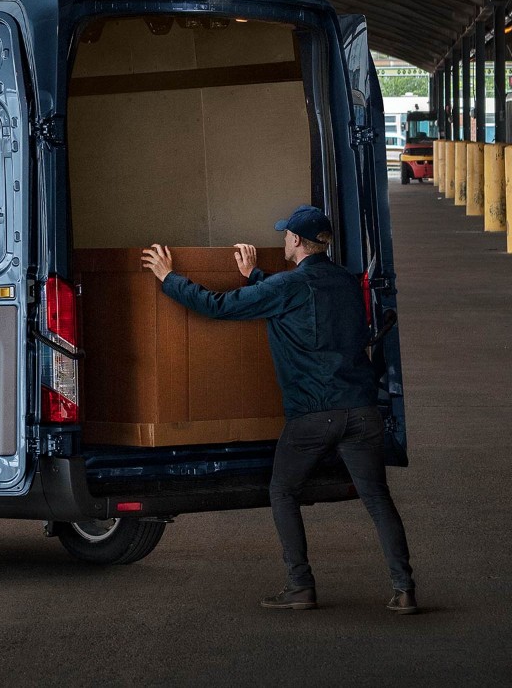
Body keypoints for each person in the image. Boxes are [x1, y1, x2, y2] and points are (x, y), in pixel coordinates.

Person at [139, 205, 416, 615]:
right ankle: (405, 588)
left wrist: (169, 278)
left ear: (297, 243)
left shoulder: (287, 287)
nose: (283, 239)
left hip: (313, 417)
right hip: (362, 412)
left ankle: (300, 585)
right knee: (377, 499)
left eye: (286, 235)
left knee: (283, 491)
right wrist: (255, 276)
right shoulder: (345, 281)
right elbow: (303, 297)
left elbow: (218, 306)